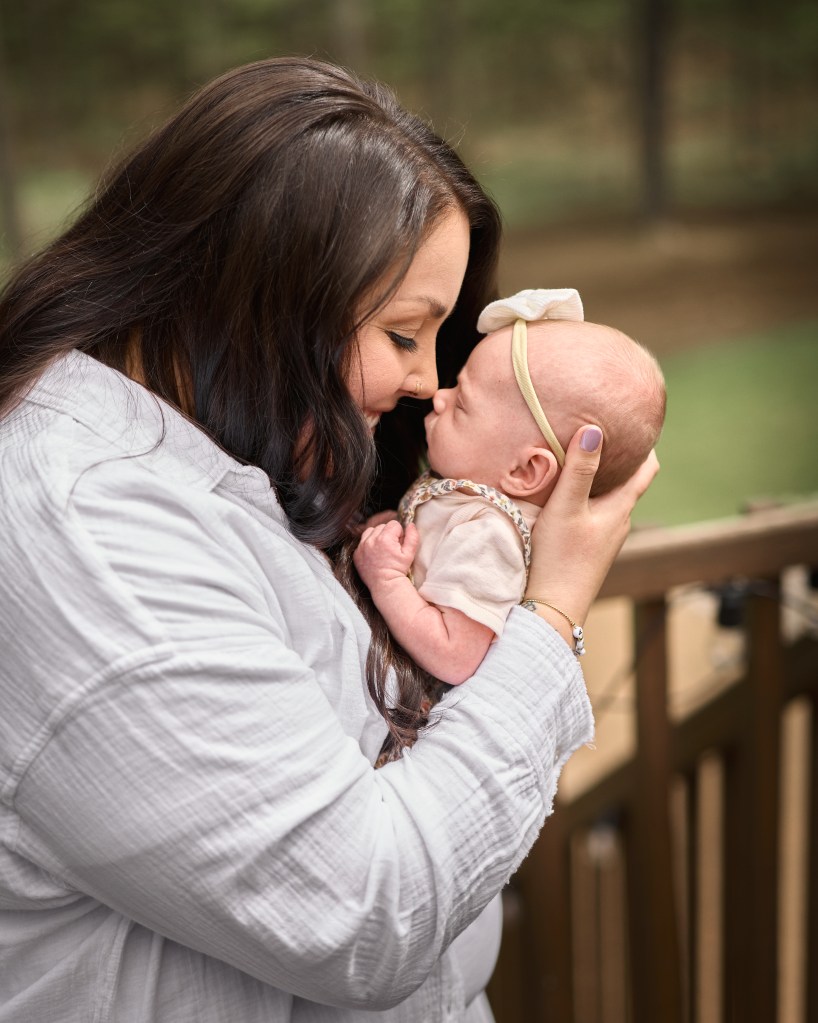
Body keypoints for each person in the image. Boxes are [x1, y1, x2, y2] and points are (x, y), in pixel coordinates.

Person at [0, 58, 658, 1023]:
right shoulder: (89, 530)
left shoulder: (251, 449)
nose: (431, 380)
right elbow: (363, 914)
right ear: (263, 293)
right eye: (404, 333)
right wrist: (550, 617)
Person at [354, 288, 666, 685]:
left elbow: (454, 655)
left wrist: (387, 580)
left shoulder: (488, 537)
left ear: (525, 471)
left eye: (462, 404)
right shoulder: (466, 501)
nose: (439, 397)